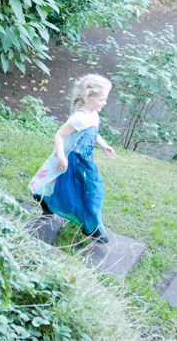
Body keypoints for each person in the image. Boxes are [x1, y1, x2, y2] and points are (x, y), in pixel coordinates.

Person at [29, 74, 117, 243]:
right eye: (102, 99)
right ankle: (91, 228)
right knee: (72, 190)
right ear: (88, 97)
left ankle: (87, 223)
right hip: (71, 160)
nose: (105, 103)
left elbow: (93, 133)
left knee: (91, 191)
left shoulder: (93, 114)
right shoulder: (80, 118)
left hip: (84, 161)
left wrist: (104, 145)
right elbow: (59, 135)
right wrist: (61, 157)